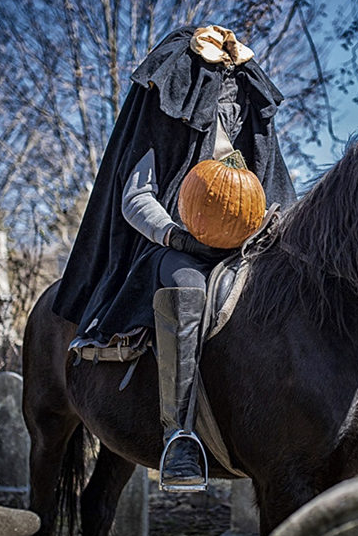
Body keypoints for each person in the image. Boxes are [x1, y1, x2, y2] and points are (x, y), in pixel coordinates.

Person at [53, 25, 296, 488]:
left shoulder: (251, 129)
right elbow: (136, 197)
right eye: (217, 80)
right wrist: (177, 238)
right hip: (175, 250)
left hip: (247, 248)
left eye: (231, 81)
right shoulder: (163, 122)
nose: (226, 91)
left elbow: (272, 193)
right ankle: (179, 436)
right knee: (188, 289)